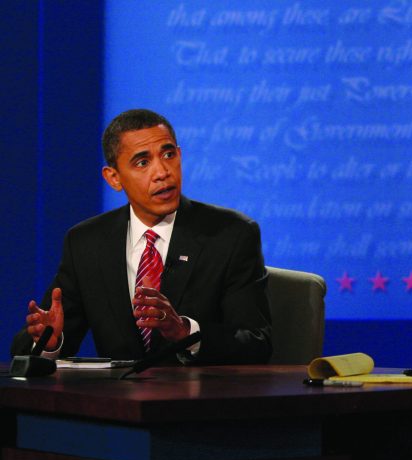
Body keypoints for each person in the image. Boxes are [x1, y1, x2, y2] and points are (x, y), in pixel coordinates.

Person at [11, 109, 271, 364]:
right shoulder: (86, 244)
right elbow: (32, 345)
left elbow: (257, 343)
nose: (162, 172)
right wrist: (49, 340)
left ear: (180, 155)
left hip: (199, 401)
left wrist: (185, 332)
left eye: (168, 154)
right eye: (142, 162)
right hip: (118, 404)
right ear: (114, 178)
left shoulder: (231, 235)